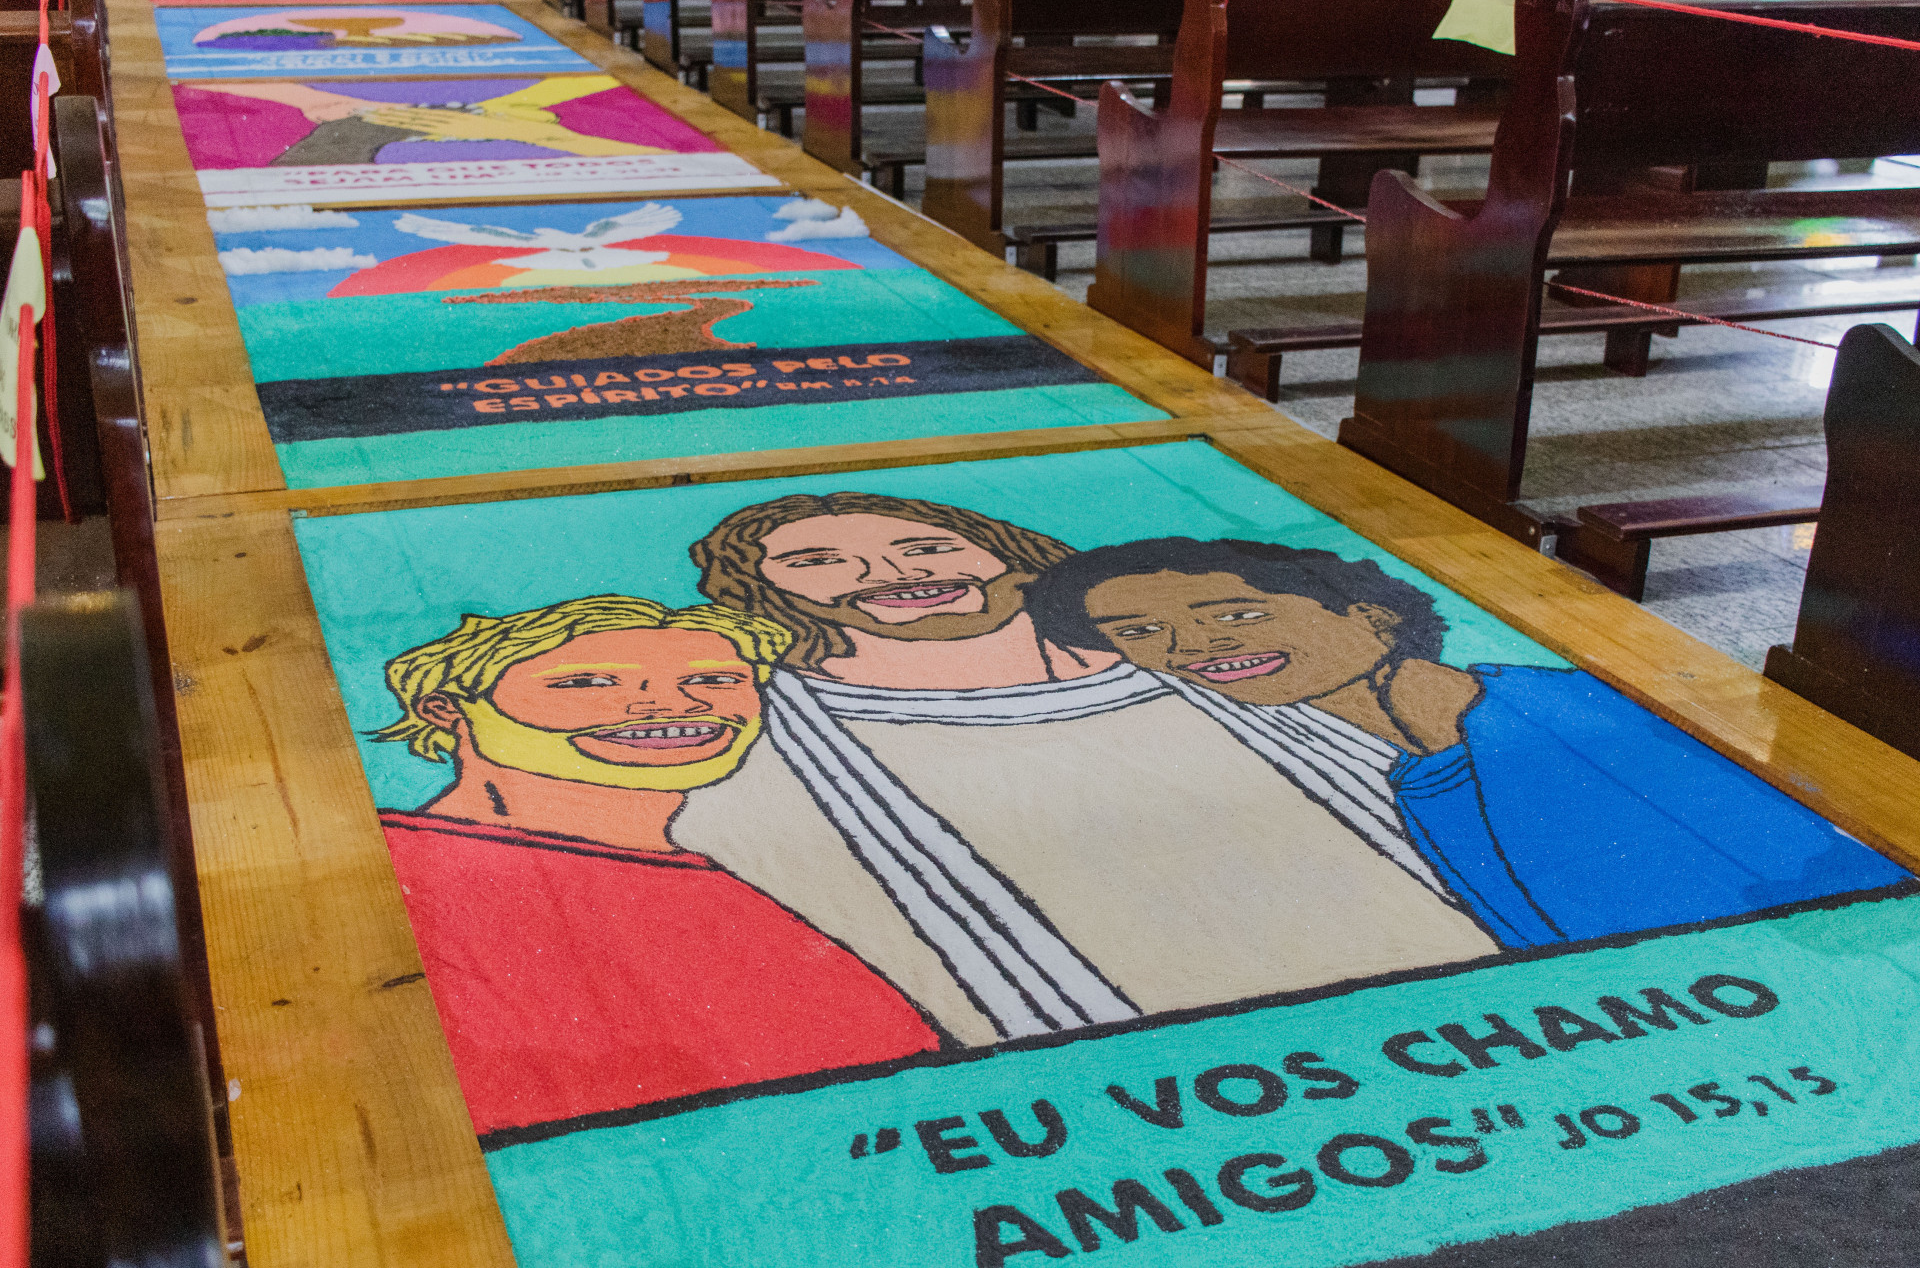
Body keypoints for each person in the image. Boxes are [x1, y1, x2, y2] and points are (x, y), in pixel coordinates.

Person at [669, 494, 1501, 1047]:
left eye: (927, 546)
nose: (896, 574)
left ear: (1008, 555)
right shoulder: (758, 736)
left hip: (1461, 1004)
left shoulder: (1208, 658)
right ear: (760, 591)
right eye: (818, 562)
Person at [1022, 537, 1913, 947]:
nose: (1189, 648)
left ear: (1368, 611)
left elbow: (1829, 899)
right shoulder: (1421, 781)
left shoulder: (1573, 722)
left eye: (1239, 613)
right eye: (1139, 635)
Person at [373, 594, 942, 1135]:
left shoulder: (719, 888)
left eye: (715, 680)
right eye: (588, 682)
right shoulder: (402, 871)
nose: (677, 704)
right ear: (446, 708)